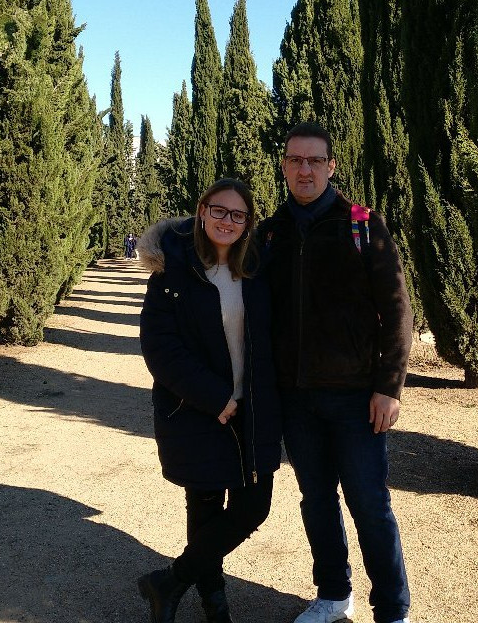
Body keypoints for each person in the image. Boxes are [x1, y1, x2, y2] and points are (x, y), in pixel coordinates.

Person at [260, 122, 413, 623]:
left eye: (313, 161)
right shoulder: (272, 231)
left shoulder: (363, 223)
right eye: (294, 161)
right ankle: (332, 593)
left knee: (369, 503)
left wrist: (388, 387)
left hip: (355, 398)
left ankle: (392, 610)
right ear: (284, 167)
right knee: (316, 499)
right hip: (297, 398)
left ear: (330, 166)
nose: (304, 170)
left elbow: (397, 310)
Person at [137, 178, 282, 623]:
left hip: (251, 409)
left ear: (248, 223)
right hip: (197, 410)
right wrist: (214, 397)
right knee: (203, 507)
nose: (227, 221)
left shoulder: (258, 268)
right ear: (202, 211)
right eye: (219, 211)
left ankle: (170, 581)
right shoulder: (175, 269)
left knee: (252, 507)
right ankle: (213, 599)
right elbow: (160, 347)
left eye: (238, 215)